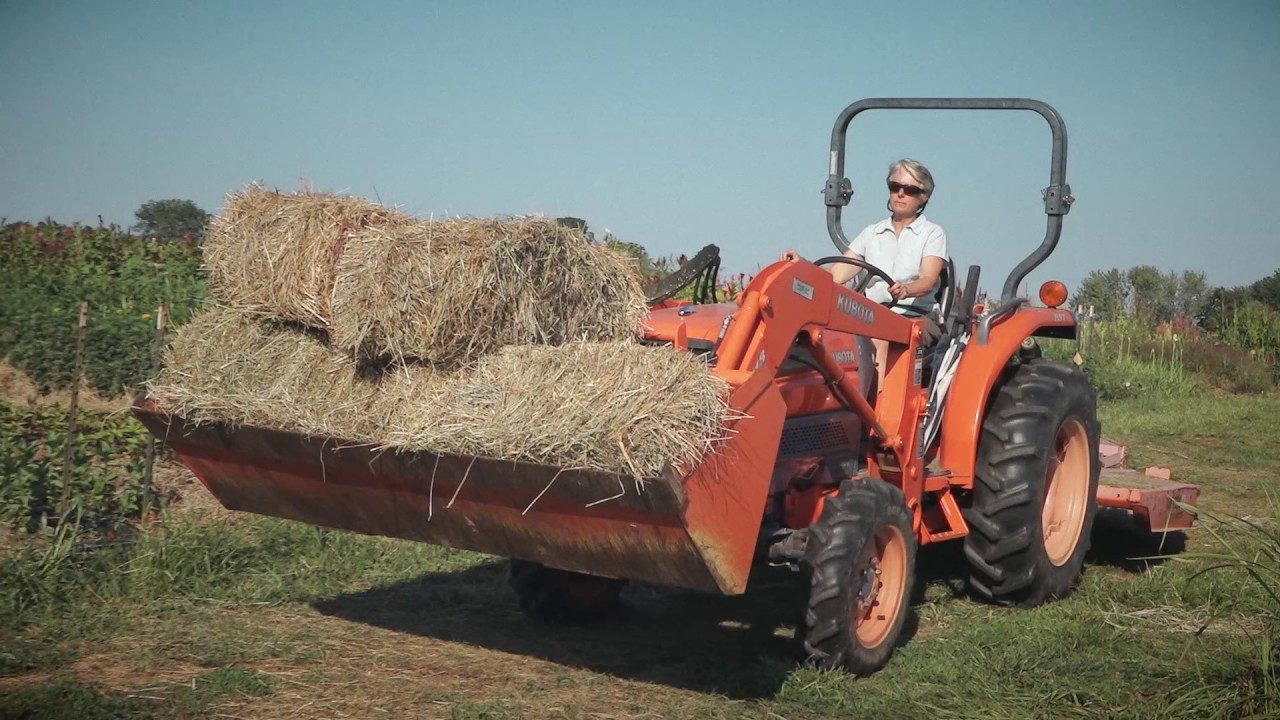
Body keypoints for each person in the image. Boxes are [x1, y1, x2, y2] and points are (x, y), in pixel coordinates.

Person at [781, 159, 947, 393]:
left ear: (925, 196)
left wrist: (906, 289)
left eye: (910, 190)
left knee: (879, 338)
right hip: (870, 317)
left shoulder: (932, 234)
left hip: (915, 317)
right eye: (894, 186)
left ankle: (874, 416)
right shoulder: (873, 233)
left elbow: (929, 280)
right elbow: (835, 275)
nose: (900, 194)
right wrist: (803, 265)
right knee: (830, 337)